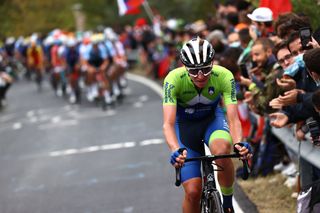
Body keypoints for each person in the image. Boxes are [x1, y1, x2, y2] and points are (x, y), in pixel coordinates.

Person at [162, 37, 252, 213]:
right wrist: (175, 150)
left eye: (205, 69)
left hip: (212, 121)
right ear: (185, 67)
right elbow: (168, 123)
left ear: (213, 63)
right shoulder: (173, 79)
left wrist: (239, 142)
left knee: (222, 150)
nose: (201, 75)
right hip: (185, 127)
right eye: (194, 71)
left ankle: (227, 204)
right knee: (193, 191)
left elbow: (233, 118)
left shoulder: (224, 75)